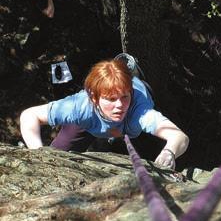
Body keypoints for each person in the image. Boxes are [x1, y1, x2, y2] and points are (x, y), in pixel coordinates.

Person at [19, 59, 189, 170]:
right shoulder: (80, 107)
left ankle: (134, 77)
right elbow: (29, 116)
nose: (120, 106)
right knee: (56, 155)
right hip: (90, 121)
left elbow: (179, 136)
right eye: (111, 99)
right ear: (94, 97)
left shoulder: (139, 110)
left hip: (131, 120)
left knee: (141, 146)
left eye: (124, 97)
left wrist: (169, 152)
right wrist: (39, 153)